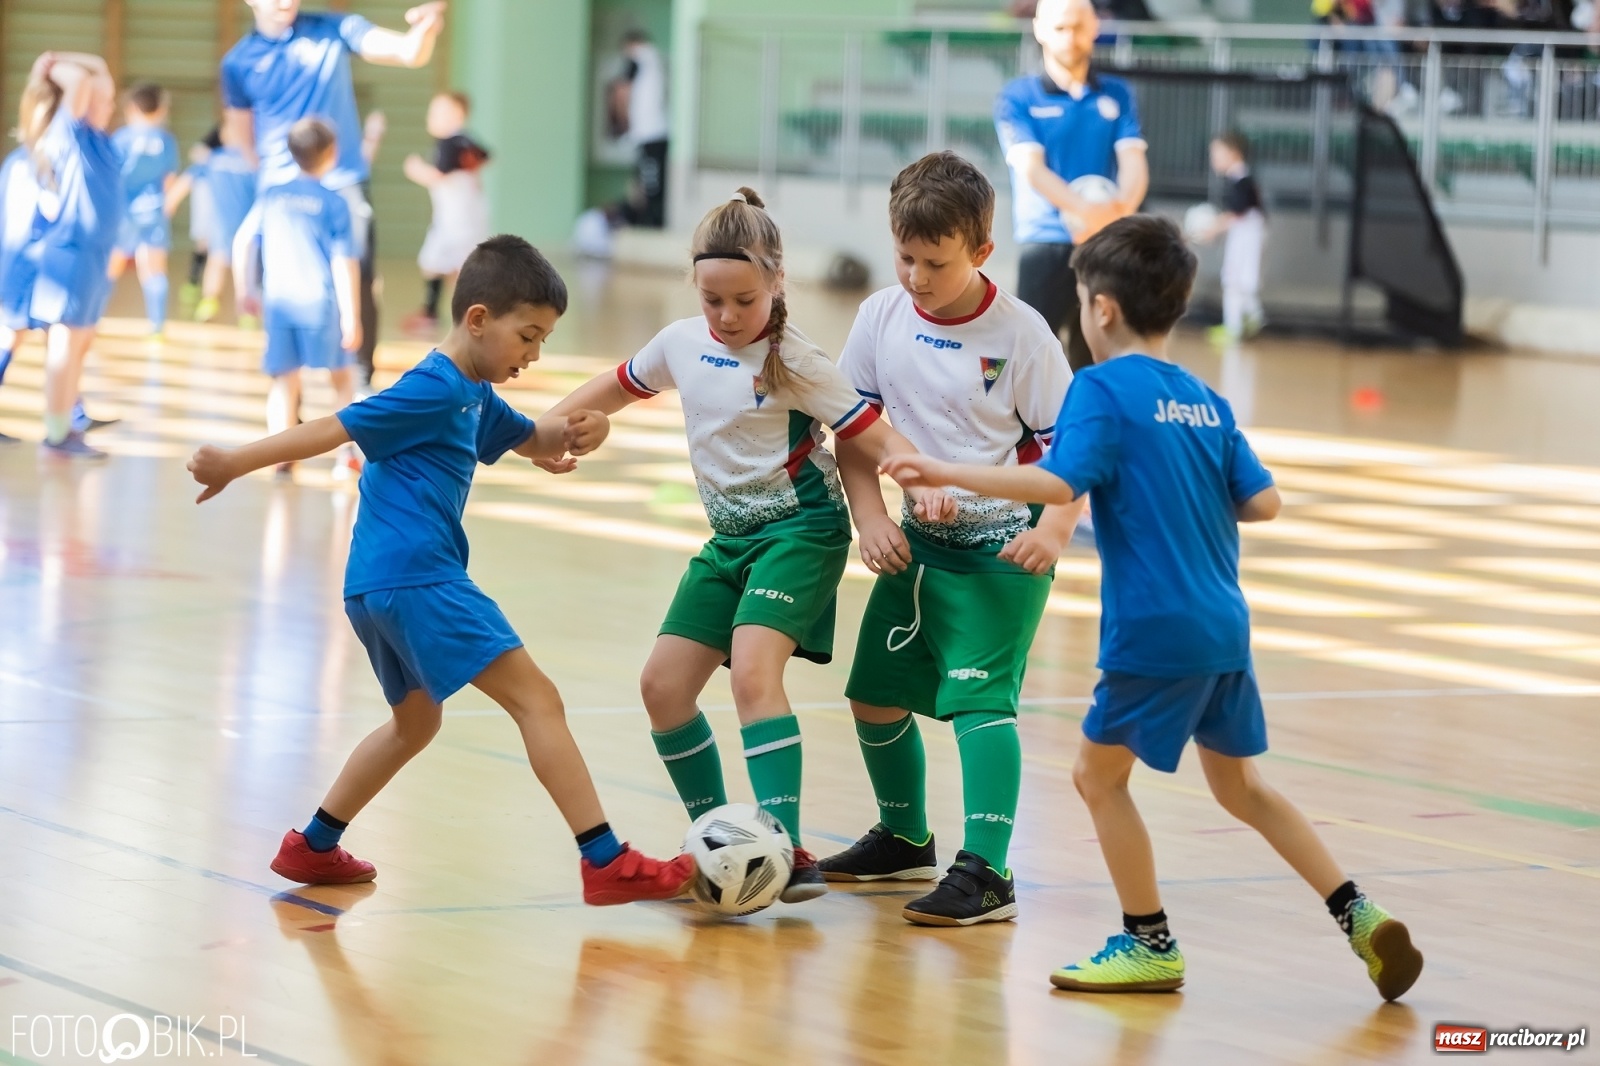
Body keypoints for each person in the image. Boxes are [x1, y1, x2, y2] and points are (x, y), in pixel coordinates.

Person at [882, 215, 1425, 1001]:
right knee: (1243, 790)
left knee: (1096, 779)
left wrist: (939, 466)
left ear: (1100, 309)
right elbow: (1264, 501)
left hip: (1156, 629)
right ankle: (1360, 914)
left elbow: (1058, 483)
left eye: (1077, 299)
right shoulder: (1204, 399)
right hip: (1223, 626)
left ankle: (1150, 942)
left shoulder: (1101, 387)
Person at [186, 234, 696, 906]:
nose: (534, 354)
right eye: (528, 336)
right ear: (479, 319)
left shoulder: (473, 396)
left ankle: (311, 845)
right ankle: (605, 860)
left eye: (543, 340)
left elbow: (536, 438)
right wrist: (233, 462)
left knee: (415, 722)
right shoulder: (432, 388)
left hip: (373, 585)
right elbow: (334, 428)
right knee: (537, 700)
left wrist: (584, 429)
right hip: (418, 577)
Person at [536, 188, 940, 904]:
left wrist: (925, 483)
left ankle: (777, 846)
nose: (725, 317)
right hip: (730, 541)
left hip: (800, 533)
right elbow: (617, 386)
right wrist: (546, 430)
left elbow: (871, 434)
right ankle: (725, 847)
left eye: (743, 301)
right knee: (662, 688)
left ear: (777, 282)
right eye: (711, 299)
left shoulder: (797, 360)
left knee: (754, 672)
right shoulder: (682, 343)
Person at [816, 152, 1077, 927]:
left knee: (979, 705)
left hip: (1004, 550)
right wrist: (871, 516)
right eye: (905, 257)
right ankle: (904, 835)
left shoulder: (1023, 336)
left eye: (937, 262)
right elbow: (853, 433)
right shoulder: (879, 317)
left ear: (982, 252)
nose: (917, 277)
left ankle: (989, 870)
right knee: (873, 696)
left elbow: (1074, 453)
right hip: (919, 551)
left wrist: (1056, 530)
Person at [221, 0, 448, 389]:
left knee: (357, 277)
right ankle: (287, 395)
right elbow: (240, 131)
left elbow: (408, 52)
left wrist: (424, 30)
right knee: (281, 285)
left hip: (342, 180)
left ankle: (360, 382)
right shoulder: (238, 61)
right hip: (280, 188)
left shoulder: (334, 29)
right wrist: (266, 179)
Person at [996, 0, 1149, 373]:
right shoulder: (1018, 97)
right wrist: (1089, 213)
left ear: (1095, 27)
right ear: (1039, 29)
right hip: (1046, 243)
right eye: (1060, 27)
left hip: (1102, 245)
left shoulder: (1118, 93)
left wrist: (1118, 216)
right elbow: (1033, 170)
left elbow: (1134, 164)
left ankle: (1092, 431)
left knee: (1097, 360)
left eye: (1079, 26)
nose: (1070, 37)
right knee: (1031, 358)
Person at [0, 51, 122, 460]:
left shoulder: (97, 140)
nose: (111, 105)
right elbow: (83, 81)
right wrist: (48, 67)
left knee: (76, 341)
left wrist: (60, 58)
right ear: (83, 102)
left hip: (91, 255)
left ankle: (67, 424)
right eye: (103, 100)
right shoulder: (69, 134)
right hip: (69, 253)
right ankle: (58, 433)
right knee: (63, 343)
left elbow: (97, 72)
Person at [232, 120, 361, 479]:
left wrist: (245, 290)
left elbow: (242, 242)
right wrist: (352, 316)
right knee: (342, 380)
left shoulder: (272, 194)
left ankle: (281, 458)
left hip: (279, 303)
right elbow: (343, 261)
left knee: (283, 381)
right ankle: (346, 455)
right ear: (331, 153)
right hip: (320, 305)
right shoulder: (335, 202)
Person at [399, 91, 491, 339]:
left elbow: (438, 176)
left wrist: (414, 169)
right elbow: (486, 157)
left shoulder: (449, 142)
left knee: (445, 263)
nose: (432, 117)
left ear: (457, 115)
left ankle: (468, 315)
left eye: (438, 112)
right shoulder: (467, 140)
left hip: (455, 220)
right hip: (468, 215)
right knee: (441, 263)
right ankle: (445, 313)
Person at [107, 83, 180, 339]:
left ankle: (91, 320)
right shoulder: (166, 140)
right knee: (154, 271)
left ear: (131, 108)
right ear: (160, 110)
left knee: (111, 267)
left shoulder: (121, 138)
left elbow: (111, 178)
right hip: (154, 211)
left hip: (123, 213)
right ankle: (157, 329)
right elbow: (169, 181)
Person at [1195, 131, 1267, 345]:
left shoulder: (1242, 181)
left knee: (1238, 280)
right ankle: (1244, 322)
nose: (1214, 159)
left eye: (1218, 153)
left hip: (1248, 236)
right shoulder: (1239, 180)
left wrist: (1213, 229)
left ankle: (1240, 325)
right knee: (1236, 280)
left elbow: (1237, 212)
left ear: (1234, 153)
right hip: (1244, 235)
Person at [612, 29, 670, 229]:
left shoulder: (640, 57)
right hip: (656, 131)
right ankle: (651, 219)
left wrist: (622, 118)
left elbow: (621, 91)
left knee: (649, 184)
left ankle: (650, 222)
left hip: (650, 133)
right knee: (652, 182)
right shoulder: (656, 60)